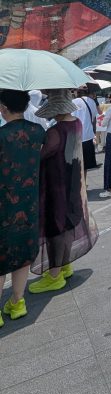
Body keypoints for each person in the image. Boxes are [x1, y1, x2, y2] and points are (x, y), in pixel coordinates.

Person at [28, 89, 98, 293]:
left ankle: (54, 276)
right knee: (67, 224)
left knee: (55, 228)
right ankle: (65, 264)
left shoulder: (55, 132)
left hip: (55, 186)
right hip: (73, 183)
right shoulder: (76, 123)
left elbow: (41, 157)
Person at [0, 90, 45, 323]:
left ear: (4, 108)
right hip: (29, 203)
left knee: (2, 254)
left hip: (4, 205)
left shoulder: (1, 135)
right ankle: (17, 302)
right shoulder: (38, 131)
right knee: (22, 253)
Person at [74, 85, 101, 176]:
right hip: (88, 136)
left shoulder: (73, 102)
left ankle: (78, 186)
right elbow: (93, 118)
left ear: (77, 92)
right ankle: (84, 186)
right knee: (85, 166)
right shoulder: (92, 102)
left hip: (76, 137)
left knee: (76, 165)